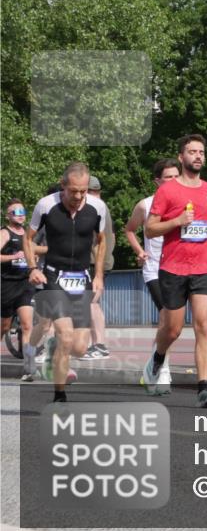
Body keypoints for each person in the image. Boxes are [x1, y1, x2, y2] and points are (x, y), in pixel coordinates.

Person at [143, 134, 207, 408]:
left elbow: (202, 229)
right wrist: (177, 221)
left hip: (203, 266)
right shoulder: (167, 191)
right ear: (181, 157)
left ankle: (204, 387)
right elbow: (150, 228)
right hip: (173, 268)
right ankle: (157, 357)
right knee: (173, 329)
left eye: (201, 151)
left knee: (203, 324)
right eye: (192, 151)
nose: (198, 156)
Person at [24, 163, 108, 402]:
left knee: (80, 347)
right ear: (63, 186)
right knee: (65, 333)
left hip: (82, 278)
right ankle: (59, 395)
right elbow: (28, 239)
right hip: (53, 277)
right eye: (74, 191)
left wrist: (99, 274)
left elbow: (101, 242)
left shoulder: (97, 207)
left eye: (83, 191)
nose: (79, 196)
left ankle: (54, 348)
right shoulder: (46, 205)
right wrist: (32, 268)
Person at [123, 158, 181, 382]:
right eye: (169, 177)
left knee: (171, 323)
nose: (174, 181)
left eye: (177, 176)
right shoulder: (145, 205)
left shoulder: (187, 204)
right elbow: (129, 230)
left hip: (178, 268)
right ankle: (162, 367)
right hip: (154, 269)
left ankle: (154, 363)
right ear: (158, 181)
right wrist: (139, 251)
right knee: (166, 316)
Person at [1, 199, 37, 380]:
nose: (20, 214)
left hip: (25, 284)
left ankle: (29, 368)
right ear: (8, 216)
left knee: (27, 325)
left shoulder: (28, 234)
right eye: (15, 212)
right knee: (4, 326)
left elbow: (35, 250)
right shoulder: (5, 233)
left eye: (22, 211)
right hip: (7, 285)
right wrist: (13, 256)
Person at [80, 176, 114, 360]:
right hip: (103, 260)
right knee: (91, 303)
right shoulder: (103, 206)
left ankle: (99, 345)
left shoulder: (93, 207)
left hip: (95, 262)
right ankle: (93, 344)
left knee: (91, 303)